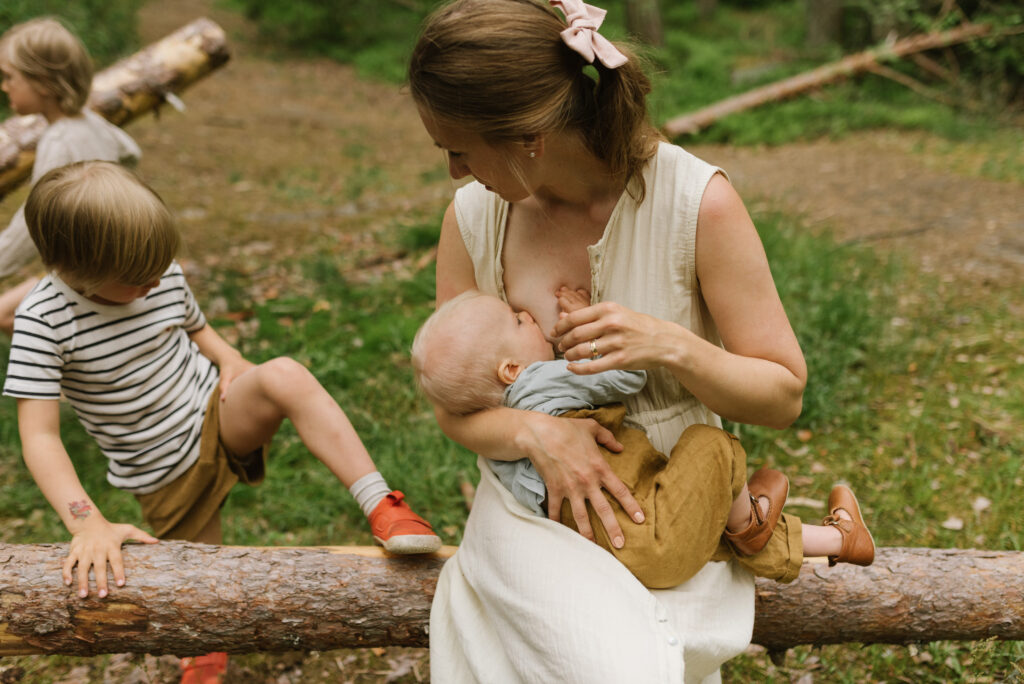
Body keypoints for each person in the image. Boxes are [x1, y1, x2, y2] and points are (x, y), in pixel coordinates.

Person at [408, 0, 873, 680]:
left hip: (669, 508)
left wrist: (671, 345)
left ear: (527, 137)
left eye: (459, 149)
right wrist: (536, 436)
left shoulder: (696, 203)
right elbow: (455, 403)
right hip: (530, 514)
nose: (453, 171)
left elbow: (783, 395)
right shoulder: (474, 219)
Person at [2, 161, 442, 682]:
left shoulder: (158, 273)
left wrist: (230, 358)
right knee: (206, 581)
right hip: (163, 474)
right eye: (136, 278)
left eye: (159, 267)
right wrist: (86, 521)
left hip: (217, 414)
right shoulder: (43, 320)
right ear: (76, 272)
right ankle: (205, 655)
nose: (155, 281)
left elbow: (196, 326)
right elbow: (40, 436)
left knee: (284, 374)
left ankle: (383, 505)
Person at [411, 289, 874, 589]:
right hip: (650, 529)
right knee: (712, 445)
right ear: (511, 370)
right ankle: (750, 522)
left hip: (622, 561)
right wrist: (587, 331)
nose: (528, 316)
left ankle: (840, 541)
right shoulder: (539, 383)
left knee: (704, 529)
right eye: (517, 321)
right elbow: (627, 377)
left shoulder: (500, 448)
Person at [0, 17, 142, 334]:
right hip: (113, 261)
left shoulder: (61, 141)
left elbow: (35, 223)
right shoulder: (91, 122)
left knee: (6, 316)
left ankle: (71, 377)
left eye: (10, 77)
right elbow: (131, 152)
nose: (3, 86)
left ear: (41, 81)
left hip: (91, 277)